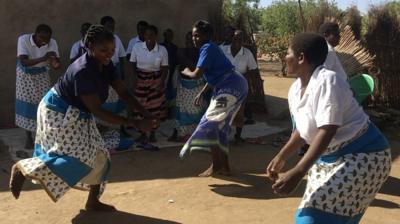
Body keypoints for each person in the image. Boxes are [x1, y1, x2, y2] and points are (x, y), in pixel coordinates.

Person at [9, 25, 157, 211]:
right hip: (57, 111)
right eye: (103, 50)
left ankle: (92, 202)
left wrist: (146, 113)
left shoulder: (106, 64)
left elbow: (124, 92)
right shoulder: (83, 71)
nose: (109, 54)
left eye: (112, 50)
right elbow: (97, 110)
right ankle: (24, 168)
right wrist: (135, 122)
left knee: (100, 155)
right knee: (75, 157)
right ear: (90, 47)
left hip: (77, 111)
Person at [266, 33, 391, 224]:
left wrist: (299, 171)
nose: (285, 57)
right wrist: (281, 156)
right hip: (328, 158)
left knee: (311, 219)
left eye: (288, 52)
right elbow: (303, 130)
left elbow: (327, 129)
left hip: (364, 156)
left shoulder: (328, 81)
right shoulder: (294, 90)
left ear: (301, 58)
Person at [179, 20, 248, 177]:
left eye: (197, 35)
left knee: (209, 120)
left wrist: (186, 71)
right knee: (219, 126)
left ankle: (214, 163)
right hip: (230, 86)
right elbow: (216, 75)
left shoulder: (207, 47)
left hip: (232, 87)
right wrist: (202, 92)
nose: (194, 38)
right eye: (193, 36)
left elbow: (196, 74)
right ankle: (223, 166)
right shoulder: (210, 48)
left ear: (206, 36)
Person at [16, 24, 61, 150]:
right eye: (42, 38)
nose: (44, 42)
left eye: (47, 39)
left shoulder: (52, 43)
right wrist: (44, 57)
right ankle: (28, 137)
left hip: (41, 74)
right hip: (25, 75)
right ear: (35, 34)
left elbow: (56, 65)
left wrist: (55, 63)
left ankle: (42, 135)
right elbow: (24, 61)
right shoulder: (23, 40)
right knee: (27, 104)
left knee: (44, 104)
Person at [130, 24, 168, 147]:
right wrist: (135, 78)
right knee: (139, 108)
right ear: (144, 35)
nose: (149, 37)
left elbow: (165, 68)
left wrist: (161, 83)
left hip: (155, 81)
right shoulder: (137, 47)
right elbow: (132, 64)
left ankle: (152, 133)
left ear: (156, 36)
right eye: (146, 34)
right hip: (141, 80)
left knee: (155, 108)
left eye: (151, 34)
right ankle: (142, 134)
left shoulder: (162, 50)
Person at [169, 31, 207, 142]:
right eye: (188, 39)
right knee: (179, 111)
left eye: (192, 39)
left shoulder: (200, 53)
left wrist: (184, 58)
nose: (190, 42)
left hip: (196, 86)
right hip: (183, 86)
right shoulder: (181, 51)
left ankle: (195, 133)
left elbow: (197, 69)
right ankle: (178, 133)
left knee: (196, 111)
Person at [221, 30, 258, 142]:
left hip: (240, 86)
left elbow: (253, 70)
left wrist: (253, 86)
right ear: (232, 38)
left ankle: (238, 136)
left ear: (243, 41)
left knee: (239, 111)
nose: (238, 41)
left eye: (241, 39)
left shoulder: (247, 54)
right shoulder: (222, 50)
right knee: (223, 110)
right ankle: (222, 134)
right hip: (224, 85)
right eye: (236, 38)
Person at [160, 28, 178, 113]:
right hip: (163, 71)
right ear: (164, 36)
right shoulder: (160, 47)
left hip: (173, 70)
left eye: (171, 36)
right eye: (168, 35)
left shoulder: (175, 47)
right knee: (163, 89)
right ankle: (164, 110)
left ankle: (170, 110)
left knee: (172, 89)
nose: (170, 37)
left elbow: (176, 59)